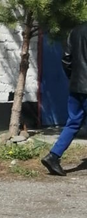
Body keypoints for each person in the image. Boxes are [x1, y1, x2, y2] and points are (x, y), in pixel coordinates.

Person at [41, 21, 87, 176]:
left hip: (76, 86)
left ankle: (53, 156)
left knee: (73, 122)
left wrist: (74, 78)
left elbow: (66, 58)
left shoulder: (76, 30)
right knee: (73, 122)